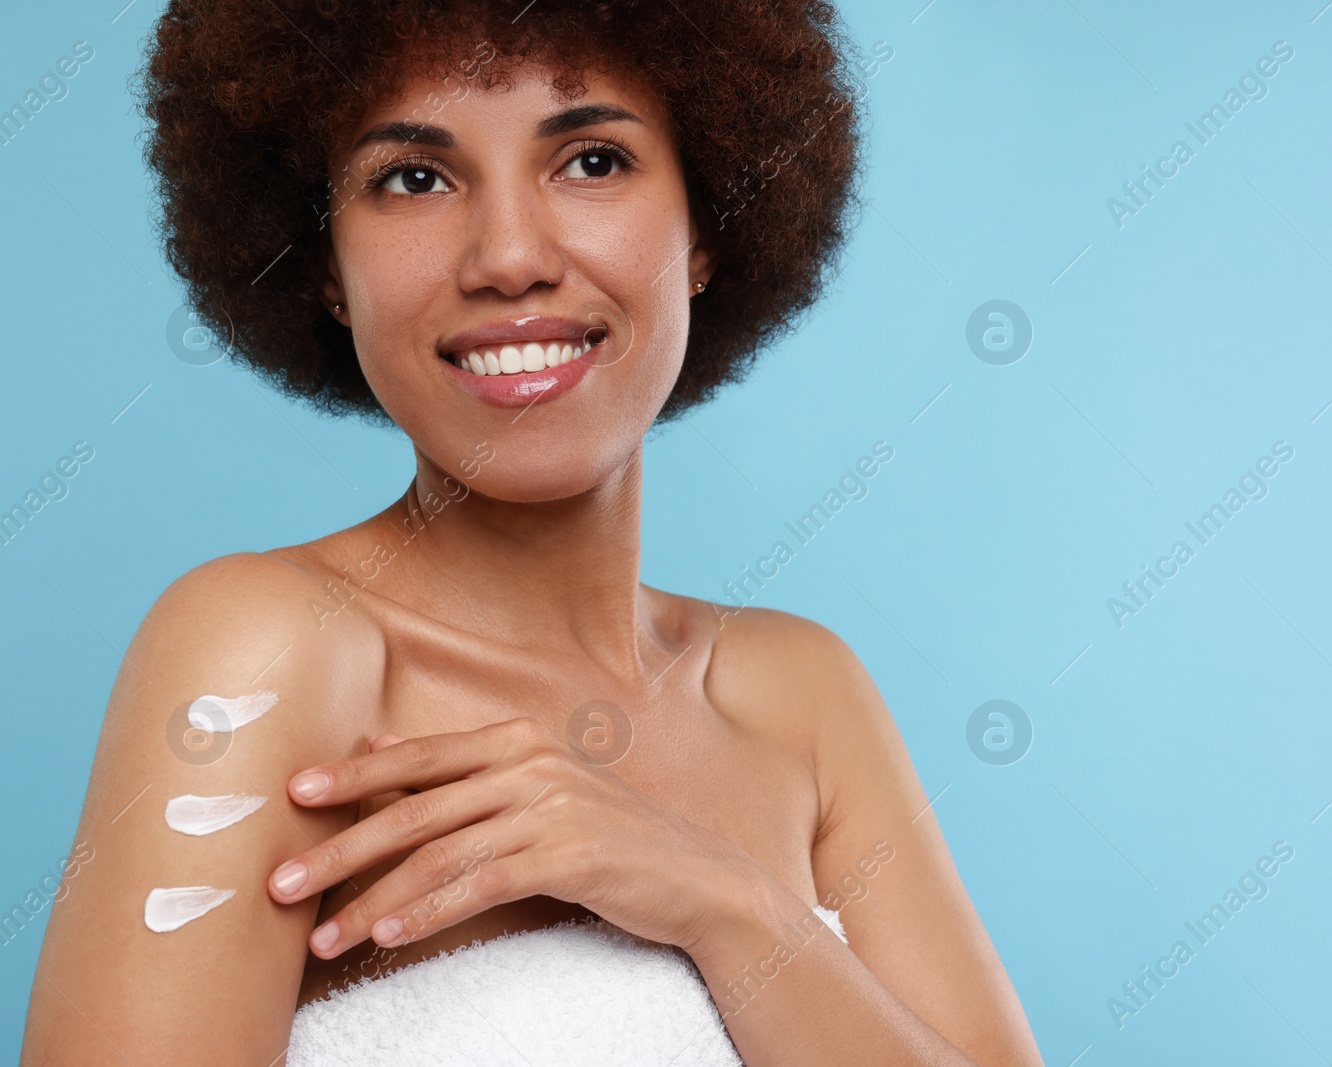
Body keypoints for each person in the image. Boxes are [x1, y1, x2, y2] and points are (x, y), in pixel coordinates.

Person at [22, 2, 1043, 1063]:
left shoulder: (799, 695)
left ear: (706, 227)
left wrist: (731, 904)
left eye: (591, 160)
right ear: (324, 265)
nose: (508, 256)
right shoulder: (270, 651)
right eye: (413, 178)